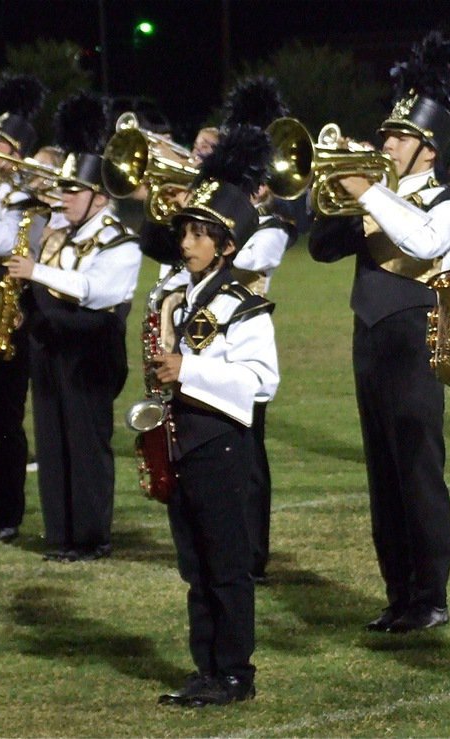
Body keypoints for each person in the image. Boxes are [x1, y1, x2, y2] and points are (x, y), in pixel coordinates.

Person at [308, 32, 450, 635]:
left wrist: (368, 191)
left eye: (399, 137)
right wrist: (335, 198)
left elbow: (424, 242)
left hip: (417, 337)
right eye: (387, 134)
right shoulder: (374, 196)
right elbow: (322, 249)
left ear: (428, 151)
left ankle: (431, 594)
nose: (386, 143)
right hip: (369, 336)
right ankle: (397, 591)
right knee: (382, 469)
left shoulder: (447, 200)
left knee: (418, 465)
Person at [142, 76, 296, 581]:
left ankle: (250, 551)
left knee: (247, 458)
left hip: (233, 338)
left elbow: (249, 255)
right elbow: (160, 244)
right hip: (193, 337)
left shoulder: (268, 225)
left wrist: (216, 214)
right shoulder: (202, 226)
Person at [153, 126, 279, 708]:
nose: (188, 242)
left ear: (226, 246)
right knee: (195, 563)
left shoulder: (240, 305)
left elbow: (262, 381)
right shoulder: (179, 295)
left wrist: (186, 371)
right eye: (187, 230)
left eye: (201, 234)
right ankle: (206, 667)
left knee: (226, 565)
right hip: (182, 442)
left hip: (222, 446)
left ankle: (234, 672)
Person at [8, 92, 141, 562]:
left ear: (100, 197)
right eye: (62, 190)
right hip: (49, 349)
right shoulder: (57, 231)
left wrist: (35, 273)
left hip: (90, 353)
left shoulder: (121, 242)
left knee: (86, 445)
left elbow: (94, 290)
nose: (62, 198)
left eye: (72, 191)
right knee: (53, 442)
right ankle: (60, 535)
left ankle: (90, 537)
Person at [0, 73, 46, 544]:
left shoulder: (32, 198)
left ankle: (5, 513)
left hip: (8, 311)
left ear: (18, 156)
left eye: (0, 145)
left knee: (3, 419)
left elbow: (5, 242)